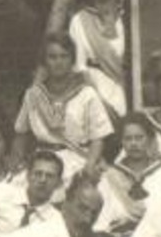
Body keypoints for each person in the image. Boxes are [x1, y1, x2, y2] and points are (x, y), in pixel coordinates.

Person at [12, 34, 114, 186]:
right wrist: (17, 162)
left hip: (77, 161)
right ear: (45, 61)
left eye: (64, 56)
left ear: (72, 60)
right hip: (42, 163)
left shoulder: (86, 93)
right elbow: (21, 133)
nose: (58, 62)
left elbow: (98, 137)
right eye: (52, 57)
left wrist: (90, 165)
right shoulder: (33, 95)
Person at [95, 114, 161, 237]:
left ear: (149, 139)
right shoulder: (111, 175)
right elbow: (103, 217)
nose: (133, 143)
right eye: (128, 139)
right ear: (121, 141)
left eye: (139, 138)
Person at [68, 0, 128, 118]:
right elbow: (79, 69)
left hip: (131, 90)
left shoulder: (130, 15)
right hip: (98, 93)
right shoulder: (79, 20)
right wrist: (102, 104)